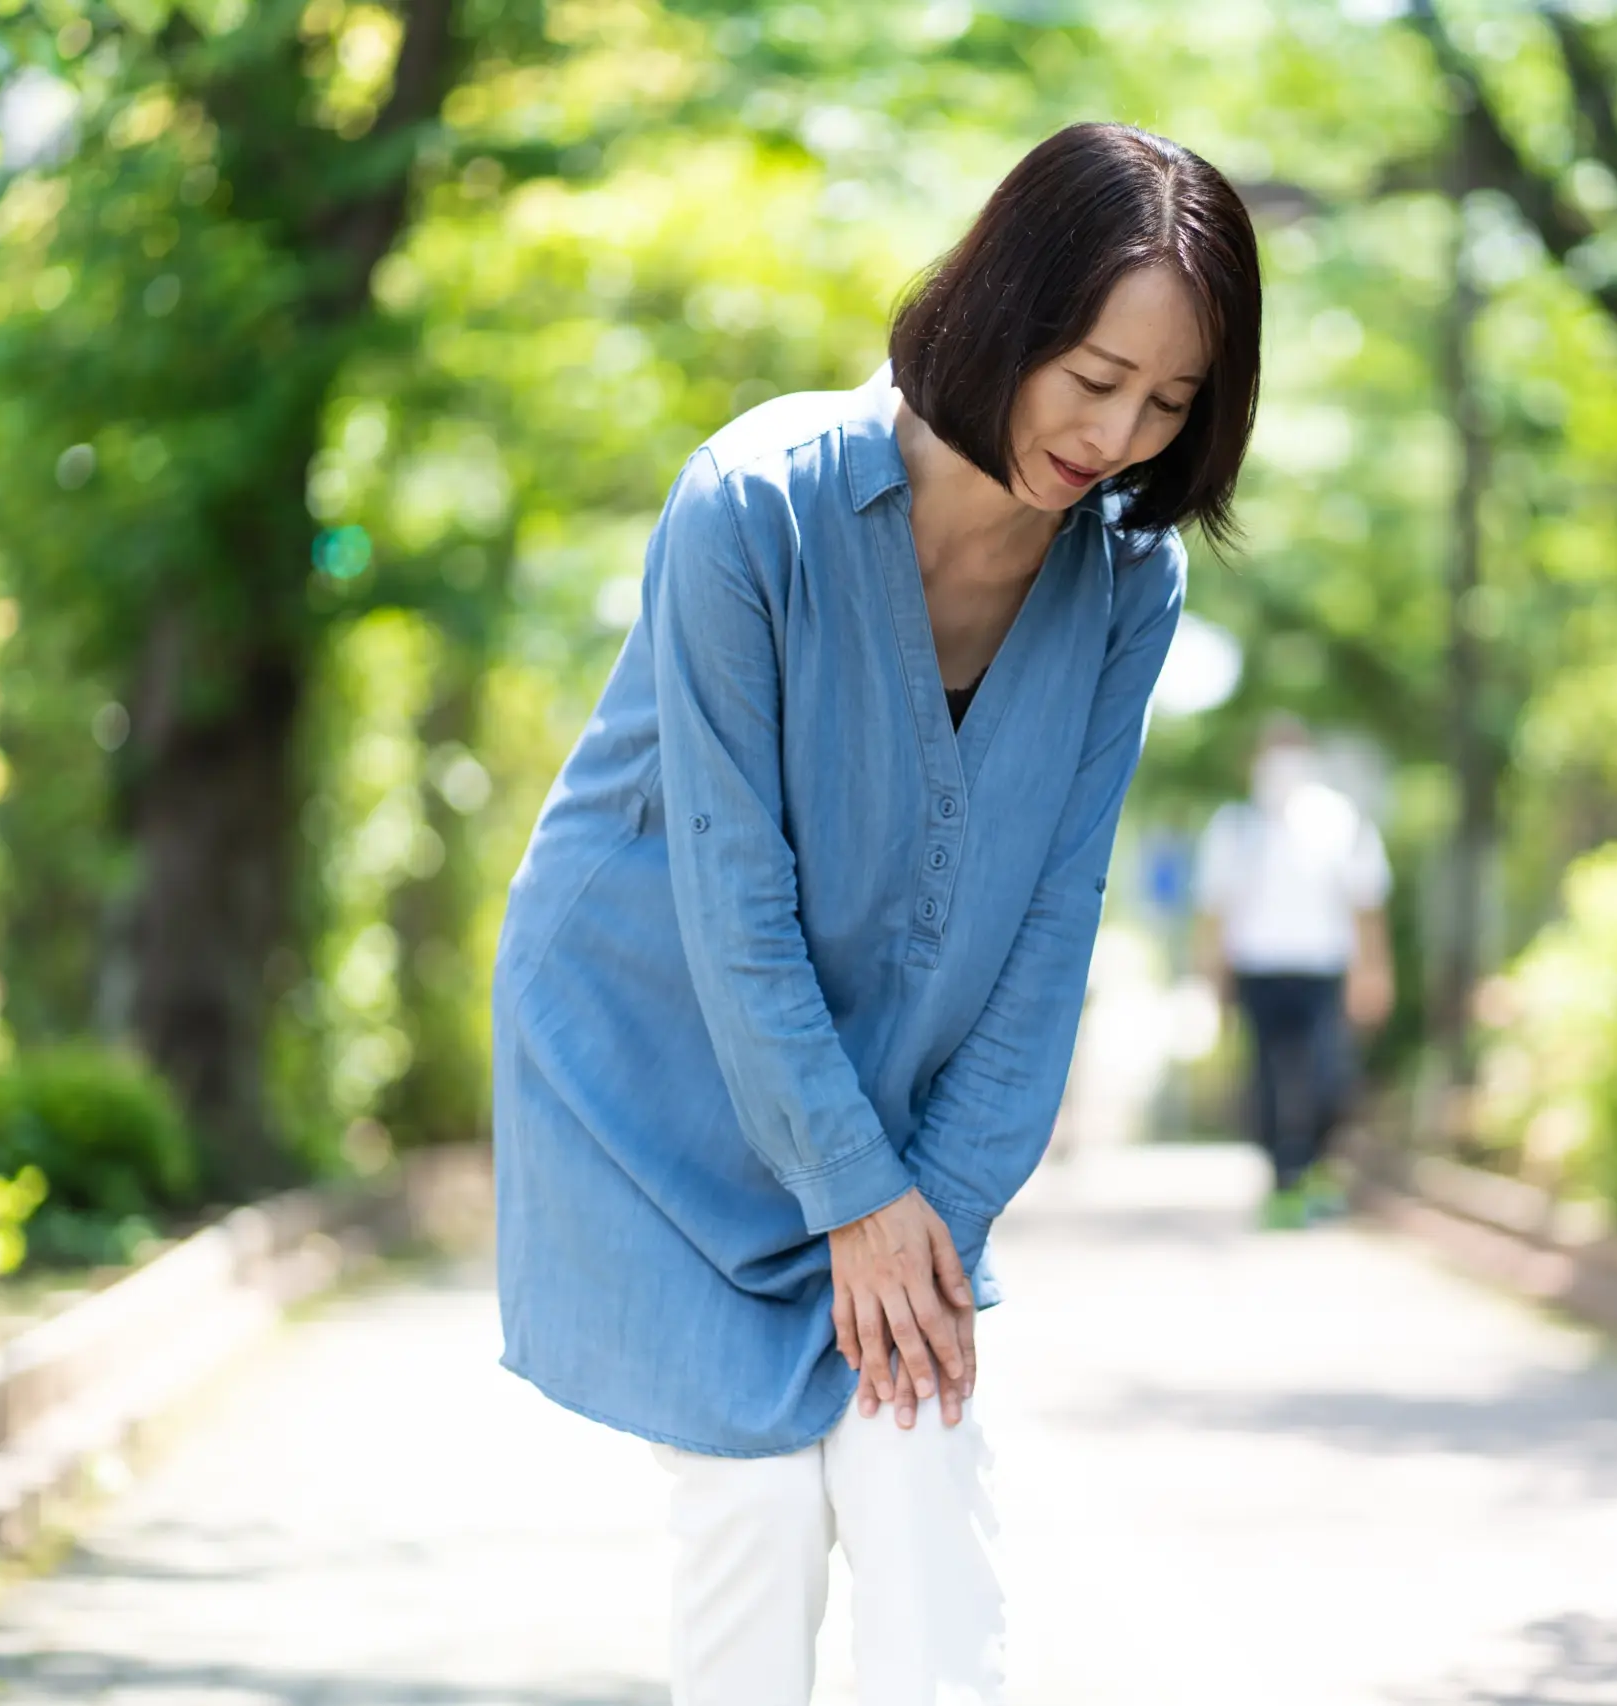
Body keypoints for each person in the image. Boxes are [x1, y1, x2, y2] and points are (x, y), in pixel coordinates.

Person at [491, 123, 1260, 1705]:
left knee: (919, 1477)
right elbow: (730, 897)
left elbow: (1058, 918)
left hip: (888, 1108)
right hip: (660, 1062)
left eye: (1170, 404)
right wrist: (848, 1189)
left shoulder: (1127, 584)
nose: (1116, 435)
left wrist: (937, 1207)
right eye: (1094, 375)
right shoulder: (752, 507)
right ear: (1007, 313)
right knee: (756, 1508)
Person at [1191, 717, 1394, 1228]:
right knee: (1266, 1082)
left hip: (1322, 971)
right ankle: (1284, 1181)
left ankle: (1313, 1167)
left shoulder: (1339, 820)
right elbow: (1214, 911)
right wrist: (1211, 980)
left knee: (1329, 1078)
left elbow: (1367, 904)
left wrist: (1373, 971)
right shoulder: (1235, 827)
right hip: (1258, 971)